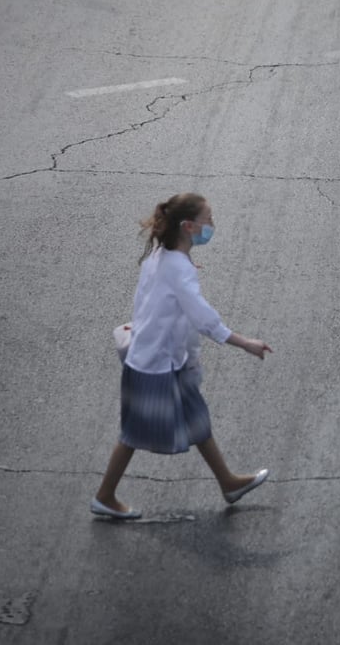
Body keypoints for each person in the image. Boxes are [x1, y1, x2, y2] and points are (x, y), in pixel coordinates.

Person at [91, 193, 273, 519]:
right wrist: (245, 342)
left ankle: (229, 483)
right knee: (132, 434)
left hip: (166, 359)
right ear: (189, 227)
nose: (212, 226)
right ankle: (105, 496)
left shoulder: (163, 256)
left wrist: (184, 268)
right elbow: (204, 318)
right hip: (154, 365)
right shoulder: (177, 267)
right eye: (208, 220)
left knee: (197, 420)